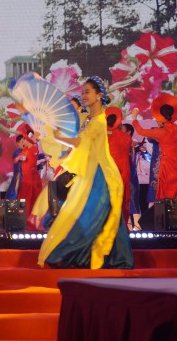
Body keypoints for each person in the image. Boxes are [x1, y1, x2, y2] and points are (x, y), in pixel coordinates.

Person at [38, 76, 133, 269]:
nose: (84, 95)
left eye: (87, 92)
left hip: (101, 176)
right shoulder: (90, 119)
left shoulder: (99, 121)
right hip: (92, 174)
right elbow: (81, 144)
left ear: (99, 95)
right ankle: (104, 257)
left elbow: (82, 144)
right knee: (97, 217)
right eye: (82, 92)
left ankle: (73, 256)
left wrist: (59, 137)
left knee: (90, 216)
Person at [131, 94, 177, 200]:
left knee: (166, 194)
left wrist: (134, 117)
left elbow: (141, 131)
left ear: (160, 115)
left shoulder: (161, 132)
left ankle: (166, 215)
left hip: (168, 165)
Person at [106, 107, 132, 229]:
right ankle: (122, 227)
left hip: (107, 173)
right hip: (123, 172)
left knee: (108, 199)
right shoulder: (126, 137)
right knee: (122, 200)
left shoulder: (101, 137)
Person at [17, 132, 43, 229]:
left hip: (32, 178)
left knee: (32, 200)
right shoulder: (25, 150)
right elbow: (15, 159)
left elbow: (36, 155)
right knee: (24, 199)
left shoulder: (34, 148)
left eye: (24, 139)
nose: (23, 141)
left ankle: (31, 222)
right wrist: (19, 158)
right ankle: (22, 222)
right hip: (26, 179)